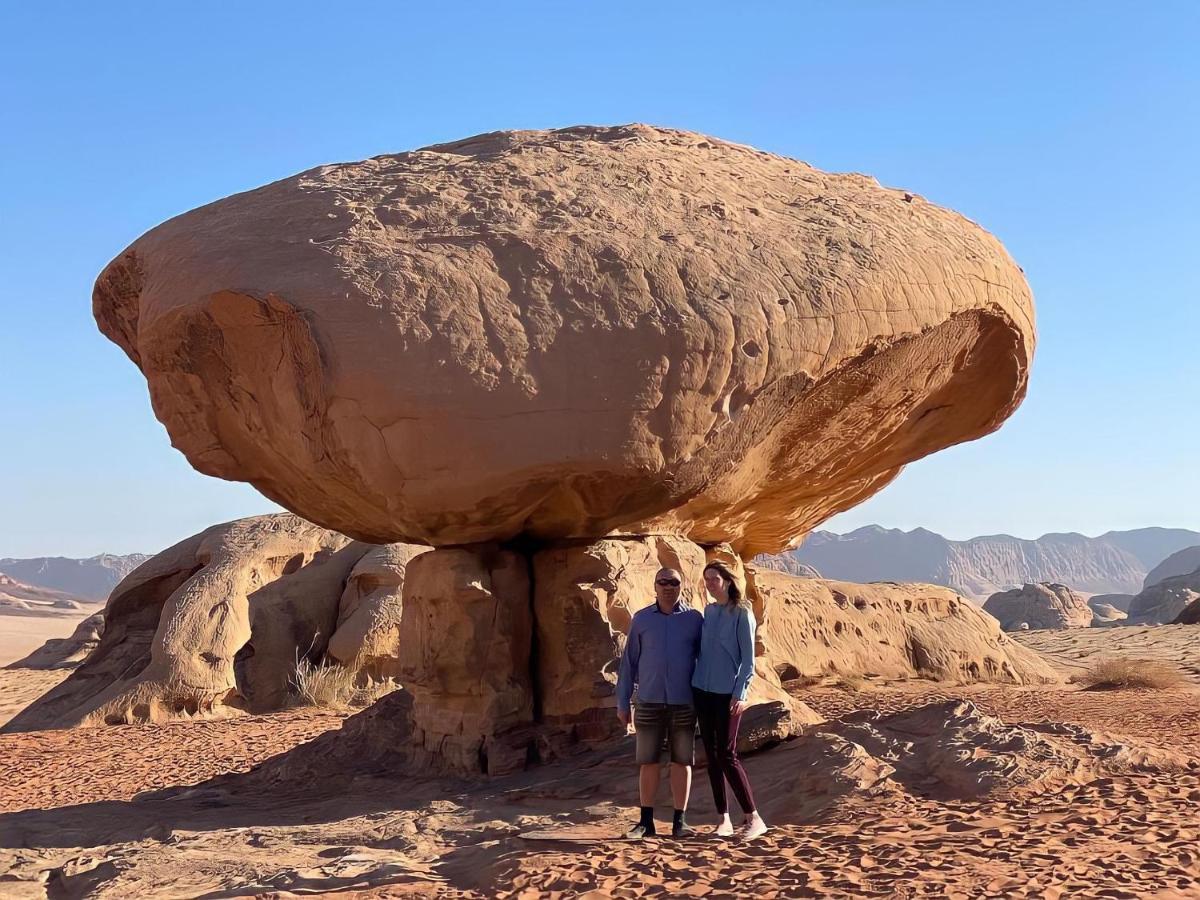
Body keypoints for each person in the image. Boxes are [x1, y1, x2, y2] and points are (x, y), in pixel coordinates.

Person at [616, 567, 704, 839]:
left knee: (682, 762)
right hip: (649, 702)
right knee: (648, 762)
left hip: (684, 702)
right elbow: (629, 663)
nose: (668, 587)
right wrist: (622, 702)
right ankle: (646, 822)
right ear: (654, 586)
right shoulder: (642, 620)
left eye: (673, 582)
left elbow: (705, 662)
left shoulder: (694, 619)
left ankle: (681, 822)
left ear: (681, 586)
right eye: (662, 582)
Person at [691, 561, 768, 840]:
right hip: (702, 690)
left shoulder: (742, 613)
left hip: (727, 694)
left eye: (715, 578)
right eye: (706, 579)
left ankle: (753, 817)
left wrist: (740, 693)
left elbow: (748, 660)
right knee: (711, 756)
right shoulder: (709, 612)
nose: (710, 584)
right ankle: (723, 819)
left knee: (727, 754)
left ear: (727, 580)